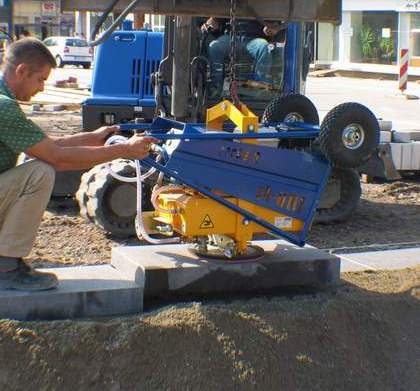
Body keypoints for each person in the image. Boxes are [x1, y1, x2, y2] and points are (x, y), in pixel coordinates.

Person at [0, 38, 156, 291]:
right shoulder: (4, 107)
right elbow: (56, 158)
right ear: (21, 71)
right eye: (40, 79)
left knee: (36, 165)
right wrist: (123, 150)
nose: (41, 88)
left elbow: (47, 144)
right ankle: (6, 269)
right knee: (39, 172)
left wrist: (93, 139)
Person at [201, 17, 284, 94]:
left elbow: (276, 24)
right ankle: (216, 87)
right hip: (231, 38)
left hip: (254, 40)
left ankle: (260, 87)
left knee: (263, 46)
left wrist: (273, 29)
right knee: (214, 46)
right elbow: (214, 19)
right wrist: (209, 24)